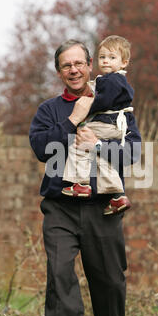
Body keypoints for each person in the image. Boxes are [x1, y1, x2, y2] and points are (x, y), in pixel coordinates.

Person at [29, 39, 141, 316]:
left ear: (91, 65)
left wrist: (97, 146)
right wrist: (73, 119)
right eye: (67, 65)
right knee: (60, 274)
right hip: (60, 207)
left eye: (79, 63)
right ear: (59, 71)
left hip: (103, 209)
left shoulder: (117, 108)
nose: (74, 70)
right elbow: (41, 150)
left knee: (109, 280)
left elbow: (133, 154)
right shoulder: (49, 110)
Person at [61, 35, 134, 216]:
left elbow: (104, 101)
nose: (106, 61)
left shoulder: (111, 80)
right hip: (115, 125)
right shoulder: (119, 80)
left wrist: (87, 106)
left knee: (80, 144)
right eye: (103, 57)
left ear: (124, 62)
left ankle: (80, 184)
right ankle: (117, 195)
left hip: (106, 122)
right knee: (103, 159)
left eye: (112, 57)